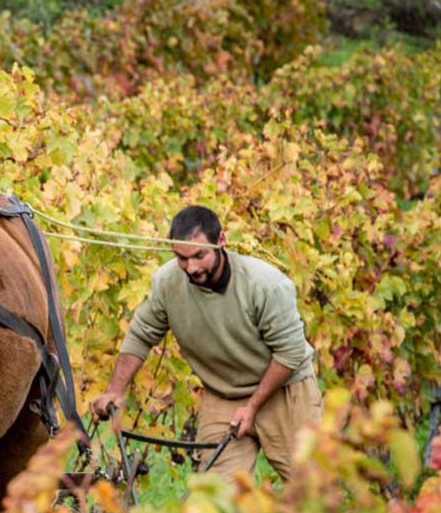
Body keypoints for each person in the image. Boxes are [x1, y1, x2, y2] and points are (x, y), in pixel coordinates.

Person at [91, 205, 322, 483]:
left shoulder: (265, 285)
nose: (191, 267)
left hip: (285, 392)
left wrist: (252, 406)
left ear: (221, 241)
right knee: (213, 501)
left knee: (311, 492)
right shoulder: (167, 283)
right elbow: (141, 335)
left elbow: (290, 352)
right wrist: (114, 390)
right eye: (181, 258)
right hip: (223, 394)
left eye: (199, 255)